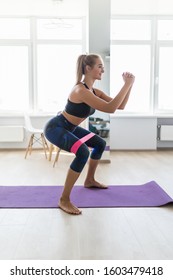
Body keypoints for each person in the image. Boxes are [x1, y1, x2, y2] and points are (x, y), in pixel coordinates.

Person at [44, 54, 135, 215]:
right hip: (56, 128)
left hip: (69, 127)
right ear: (88, 68)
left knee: (99, 143)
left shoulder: (93, 91)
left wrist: (129, 85)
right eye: (99, 66)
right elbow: (110, 109)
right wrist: (126, 85)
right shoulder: (81, 90)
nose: (103, 69)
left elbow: (120, 106)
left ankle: (90, 180)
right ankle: (64, 199)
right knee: (83, 152)